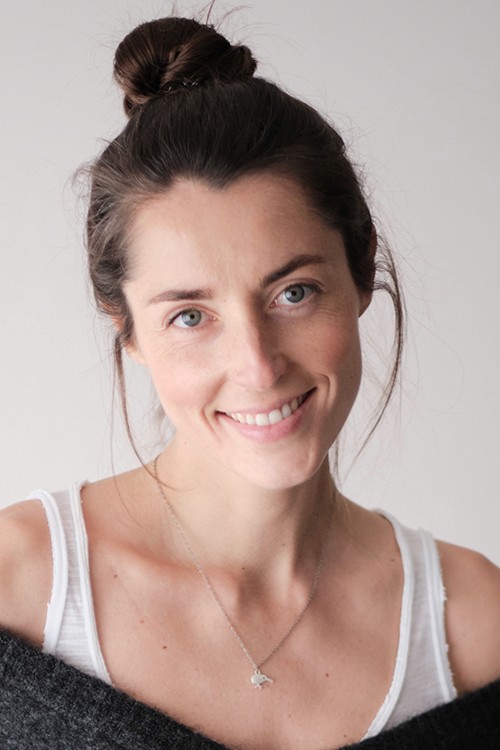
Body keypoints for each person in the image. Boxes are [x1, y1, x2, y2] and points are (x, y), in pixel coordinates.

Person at [1, 13, 499, 750]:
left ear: (361, 270)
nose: (259, 366)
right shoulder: (18, 589)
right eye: (190, 316)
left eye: (293, 293)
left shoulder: (476, 627)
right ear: (127, 328)